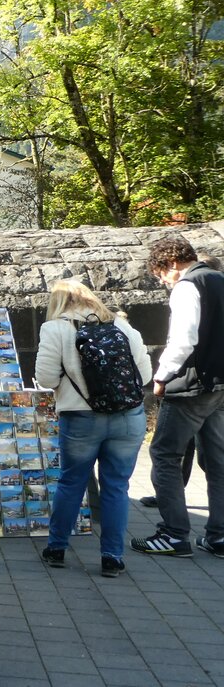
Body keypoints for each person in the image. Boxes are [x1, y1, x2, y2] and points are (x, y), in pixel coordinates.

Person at [34, 279, 152, 577]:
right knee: (116, 486)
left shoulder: (55, 329)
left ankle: (57, 548)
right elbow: (145, 375)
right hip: (128, 416)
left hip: (81, 419)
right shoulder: (122, 326)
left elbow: (46, 378)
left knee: (71, 482)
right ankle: (112, 557)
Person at [132, 237, 224, 558]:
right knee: (217, 460)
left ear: (171, 264)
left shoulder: (188, 285)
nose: (162, 281)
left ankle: (174, 533)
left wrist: (161, 376)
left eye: (160, 274)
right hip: (220, 385)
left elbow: (184, 339)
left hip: (191, 386)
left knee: (164, 455)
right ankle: (219, 536)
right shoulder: (219, 279)